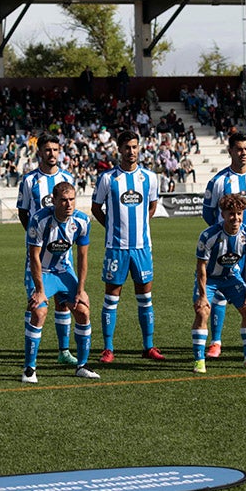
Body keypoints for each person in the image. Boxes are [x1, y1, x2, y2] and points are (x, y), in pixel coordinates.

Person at [201, 132, 246, 360]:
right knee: (221, 293)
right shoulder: (219, 181)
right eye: (239, 149)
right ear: (230, 151)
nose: (244, 153)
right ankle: (216, 342)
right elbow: (208, 213)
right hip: (225, 248)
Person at [91, 130, 164, 362]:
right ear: (119, 149)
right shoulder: (107, 179)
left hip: (142, 247)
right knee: (112, 298)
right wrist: (112, 227)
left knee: (145, 298)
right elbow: (96, 208)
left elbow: (152, 206)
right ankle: (108, 348)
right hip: (116, 248)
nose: (131, 151)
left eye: (134, 147)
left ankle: (149, 346)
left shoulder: (150, 178)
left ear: (139, 148)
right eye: (127, 147)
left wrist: (141, 224)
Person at [22, 182, 99, 383]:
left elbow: (83, 258)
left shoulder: (82, 221)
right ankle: (29, 369)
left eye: (71, 200)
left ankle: (82, 365)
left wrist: (81, 290)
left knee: (83, 310)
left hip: (64, 271)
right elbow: (34, 257)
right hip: (41, 272)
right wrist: (39, 290)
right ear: (54, 200)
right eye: (63, 200)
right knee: (39, 312)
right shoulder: (39, 220)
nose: (68, 204)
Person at [17, 133, 78, 366]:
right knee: (35, 300)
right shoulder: (30, 180)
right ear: (39, 152)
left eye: (55, 149)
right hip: (38, 254)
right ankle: (30, 352)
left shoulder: (67, 177)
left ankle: (63, 351)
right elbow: (24, 211)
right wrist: (37, 238)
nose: (52, 154)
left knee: (63, 301)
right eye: (47, 150)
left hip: (63, 253)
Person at [191, 193, 246, 372]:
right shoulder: (209, 236)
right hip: (209, 280)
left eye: (239, 213)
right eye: (231, 214)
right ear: (222, 214)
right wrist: (202, 296)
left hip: (231, 278)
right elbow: (201, 268)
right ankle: (199, 360)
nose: (236, 218)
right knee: (202, 312)